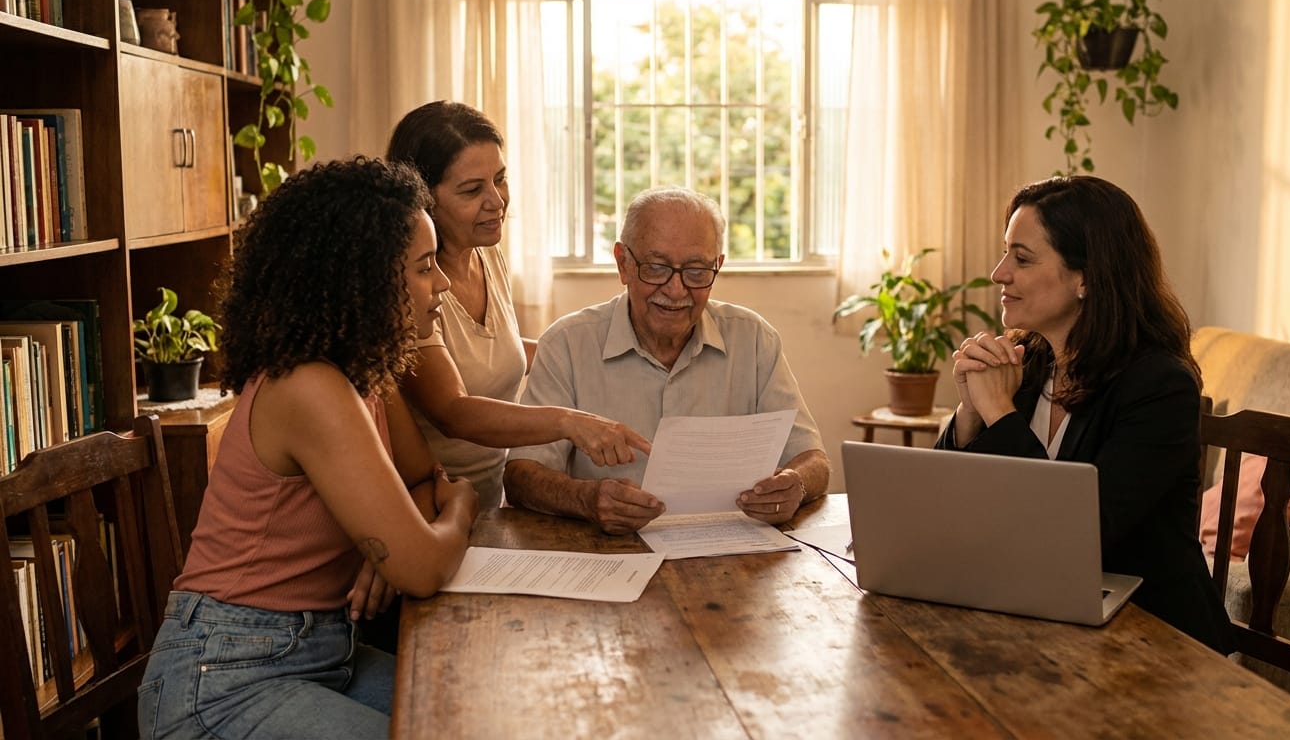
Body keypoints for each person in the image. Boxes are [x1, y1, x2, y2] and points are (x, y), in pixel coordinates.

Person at [138, 158, 479, 739]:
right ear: (364, 280)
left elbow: (423, 478)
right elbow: (423, 566)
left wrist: (389, 543)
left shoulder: (362, 373)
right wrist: (464, 505)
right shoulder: (309, 387)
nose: (441, 284)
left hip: (316, 653)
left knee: (478, 710)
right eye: (424, 268)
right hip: (223, 679)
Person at [936, 175, 1234, 654]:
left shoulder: (1160, 385)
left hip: (1153, 638)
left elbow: (1076, 535)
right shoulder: (1026, 363)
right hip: (1046, 619)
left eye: (1022, 257)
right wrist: (970, 414)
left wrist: (1001, 413)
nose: (998, 273)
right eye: (1004, 252)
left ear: (1088, 277)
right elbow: (949, 510)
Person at [503, 186, 830, 534]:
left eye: (696, 271)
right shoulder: (567, 343)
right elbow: (521, 474)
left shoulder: (753, 340)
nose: (676, 291)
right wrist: (586, 498)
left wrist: (796, 485)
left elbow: (813, 459)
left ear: (717, 266)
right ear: (623, 264)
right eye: (656, 268)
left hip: (731, 551)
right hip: (609, 554)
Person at [384, 101, 650, 503]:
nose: (497, 201)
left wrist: (580, 361)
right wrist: (567, 421)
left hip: (492, 500)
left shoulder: (486, 252)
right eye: (473, 190)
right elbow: (453, 411)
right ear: (424, 200)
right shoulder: (411, 288)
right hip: (434, 506)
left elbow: (499, 352)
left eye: (500, 179)